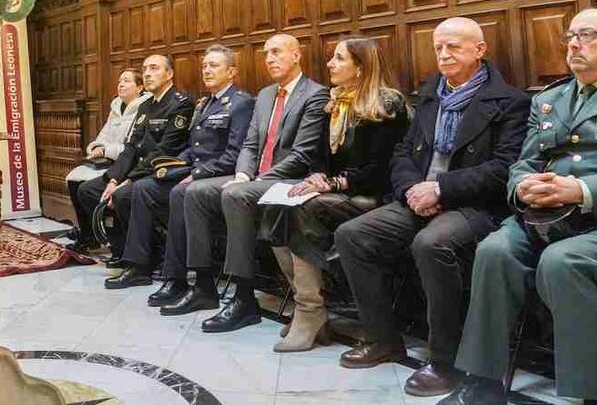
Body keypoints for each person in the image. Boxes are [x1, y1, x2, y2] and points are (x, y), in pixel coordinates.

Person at [442, 9, 597, 405]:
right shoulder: (550, 99)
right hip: (550, 215)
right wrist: (523, 188)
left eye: (587, 36)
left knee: (563, 261)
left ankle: (591, 396)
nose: (573, 44)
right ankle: (481, 383)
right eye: (570, 35)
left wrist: (581, 190)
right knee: (495, 250)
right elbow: (523, 163)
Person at [334, 17, 529, 398]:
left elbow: (505, 167)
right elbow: (403, 152)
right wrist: (412, 191)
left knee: (432, 243)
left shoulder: (510, 101)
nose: (444, 54)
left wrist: (440, 190)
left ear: (479, 50)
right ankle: (383, 339)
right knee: (352, 234)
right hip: (417, 198)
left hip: (473, 205)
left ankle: (446, 359)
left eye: (454, 46)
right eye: (439, 46)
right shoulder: (430, 94)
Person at [259, 38, 410, 352]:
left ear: (361, 68)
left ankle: (310, 311)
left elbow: (381, 170)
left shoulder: (387, 104)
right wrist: (317, 174)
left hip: (373, 197)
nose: (329, 64)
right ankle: (310, 308)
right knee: (275, 205)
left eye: (339, 59)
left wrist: (334, 183)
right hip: (341, 193)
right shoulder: (337, 102)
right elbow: (320, 157)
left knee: (303, 209)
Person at [197, 33, 330, 334]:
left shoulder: (315, 94)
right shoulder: (267, 94)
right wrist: (244, 175)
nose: (269, 58)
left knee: (235, 196)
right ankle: (199, 282)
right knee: (198, 191)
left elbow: (302, 155)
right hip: (259, 178)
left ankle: (243, 298)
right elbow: (250, 144)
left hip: (292, 179)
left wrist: (254, 182)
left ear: (296, 55)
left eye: (277, 52)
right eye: (266, 54)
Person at [108, 44, 254, 292]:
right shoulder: (205, 104)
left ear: (231, 72)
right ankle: (138, 266)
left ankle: (175, 277)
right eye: (205, 66)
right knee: (144, 188)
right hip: (194, 172)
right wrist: (177, 165)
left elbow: (235, 154)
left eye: (214, 66)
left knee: (177, 193)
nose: (207, 71)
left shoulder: (241, 103)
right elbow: (191, 146)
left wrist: (195, 173)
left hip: (219, 175)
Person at [75, 54, 193, 266]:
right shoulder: (146, 106)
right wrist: (113, 179)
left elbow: (164, 150)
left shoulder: (180, 104)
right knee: (88, 190)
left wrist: (128, 180)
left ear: (169, 74)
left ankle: (150, 253)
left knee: (123, 195)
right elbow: (130, 147)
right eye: (145, 68)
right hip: (135, 170)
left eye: (154, 68)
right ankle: (120, 249)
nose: (147, 73)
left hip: (160, 172)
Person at [66, 68, 150, 253]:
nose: (121, 84)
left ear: (139, 87)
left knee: (88, 189)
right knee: (73, 178)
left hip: (125, 163)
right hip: (107, 159)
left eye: (127, 81)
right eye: (120, 80)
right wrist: (96, 147)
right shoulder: (116, 107)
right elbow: (104, 135)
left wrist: (107, 150)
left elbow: (132, 147)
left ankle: (113, 236)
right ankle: (88, 234)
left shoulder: (144, 108)